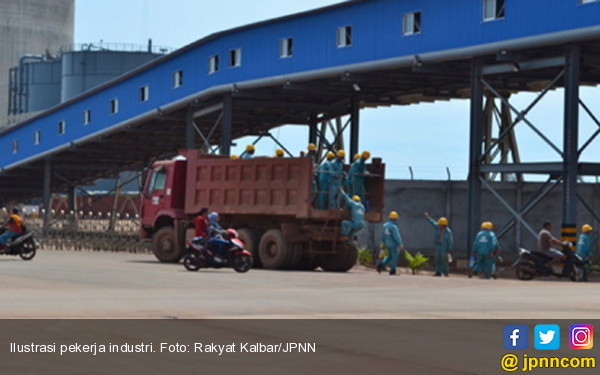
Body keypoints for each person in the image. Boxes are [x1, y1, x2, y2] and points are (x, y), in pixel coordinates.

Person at [424, 212, 453, 276]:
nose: (439, 225)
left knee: (444, 260)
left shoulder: (448, 232)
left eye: (440, 224)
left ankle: (446, 272)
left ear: (443, 225)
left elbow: (450, 241)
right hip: (438, 246)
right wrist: (428, 217)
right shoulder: (437, 228)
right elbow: (432, 222)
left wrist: (450, 249)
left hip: (444, 247)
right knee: (437, 259)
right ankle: (438, 272)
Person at [377, 211, 405, 275]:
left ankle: (381, 265)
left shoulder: (385, 225)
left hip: (387, 244)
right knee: (394, 257)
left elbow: (383, 235)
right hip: (393, 244)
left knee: (389, 256)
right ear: (396, 218)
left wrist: (383, 243)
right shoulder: (394, 227)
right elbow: (396, 236)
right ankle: (392, 270)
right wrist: (400, 244)